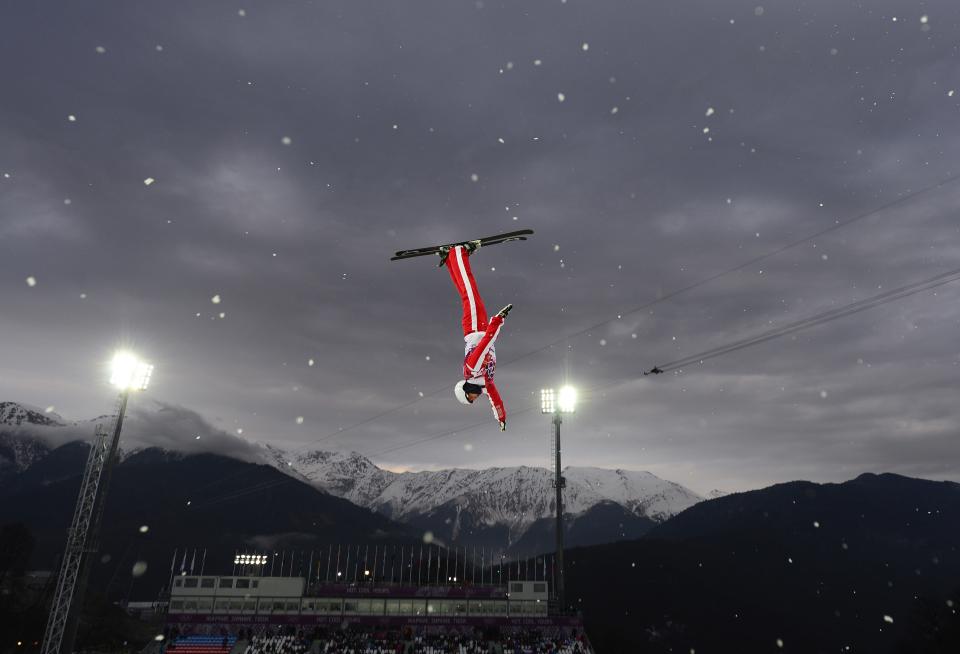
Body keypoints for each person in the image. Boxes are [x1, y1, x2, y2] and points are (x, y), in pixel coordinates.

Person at [439, 241, 512, 430]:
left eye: (470, 397)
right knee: (467, 290)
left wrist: (498, 320)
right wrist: (501, 418)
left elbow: (486, 344)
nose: (475, 397)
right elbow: (495, 400)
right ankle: (451, 260)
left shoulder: (471, 370)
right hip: (481, 327)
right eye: (472, 400)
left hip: (474, 327)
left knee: (469, 290)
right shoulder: (486, 383)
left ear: (465, 390)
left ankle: (458, 253)